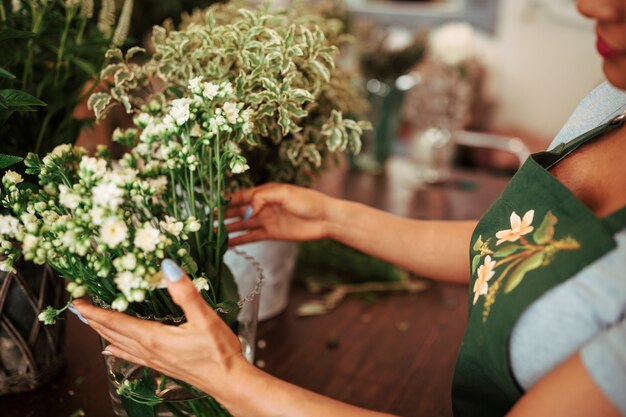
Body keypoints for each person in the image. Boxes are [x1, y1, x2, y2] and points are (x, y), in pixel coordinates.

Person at [72, 0, 626, 415]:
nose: (591, 6)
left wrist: (227, 377)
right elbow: (515, 247)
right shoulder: (612, 97)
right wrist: (334, 217)